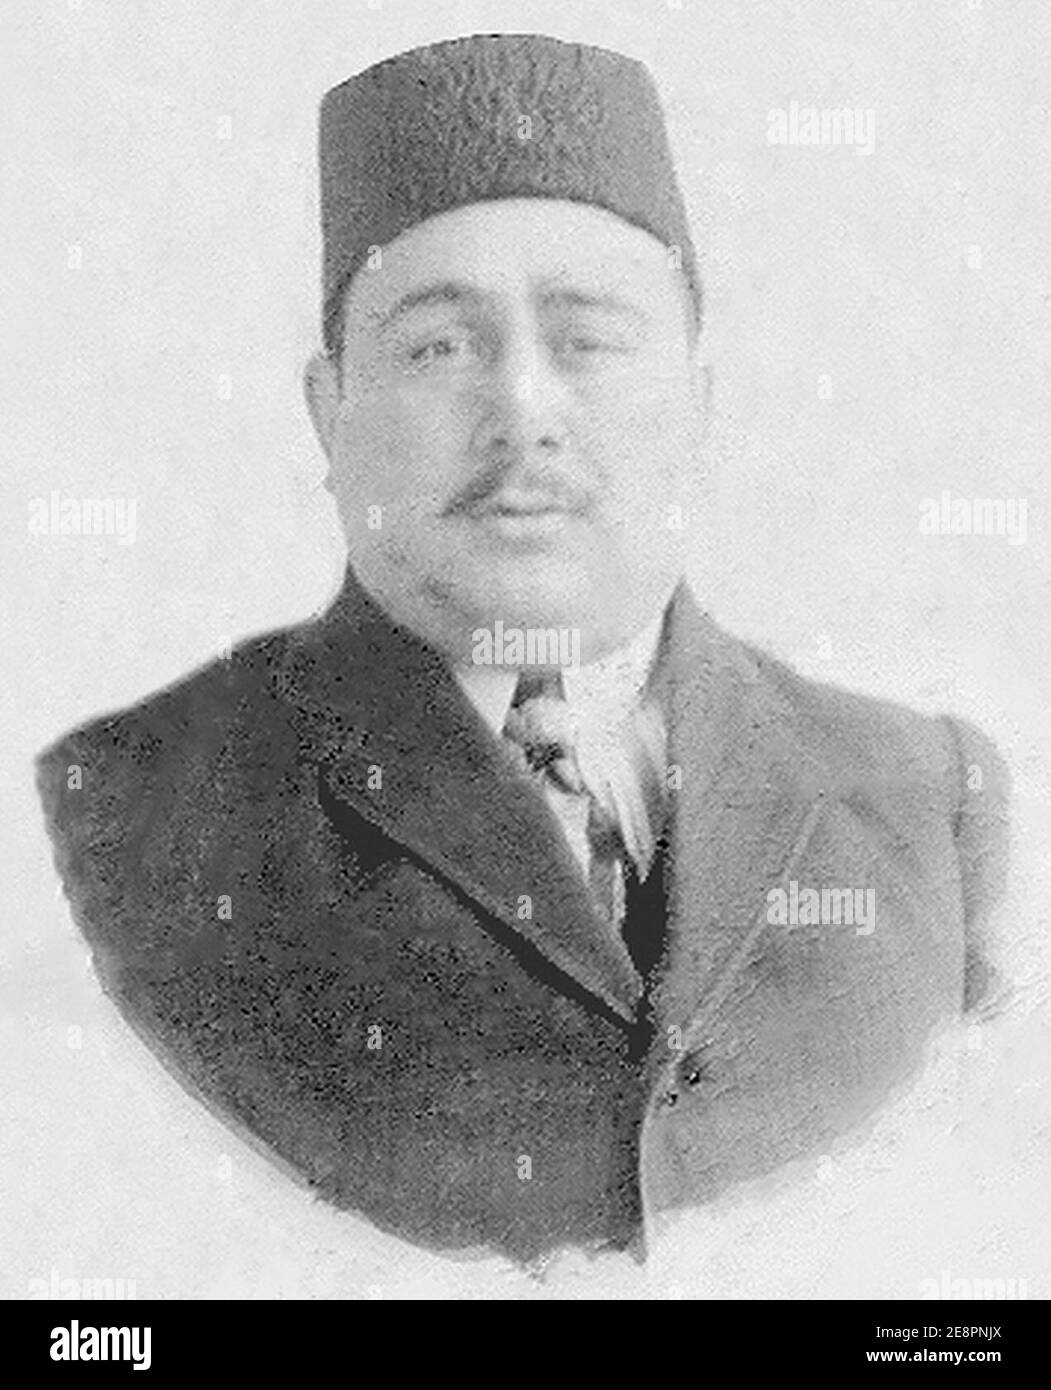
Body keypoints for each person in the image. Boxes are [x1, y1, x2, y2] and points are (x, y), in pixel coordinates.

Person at [37, 33, 1010, 1265]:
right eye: (439, 346)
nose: (523, 410)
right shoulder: (123, 810)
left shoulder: (929, 797)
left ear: (698, 405)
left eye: (587, 338)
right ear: (330, 415)